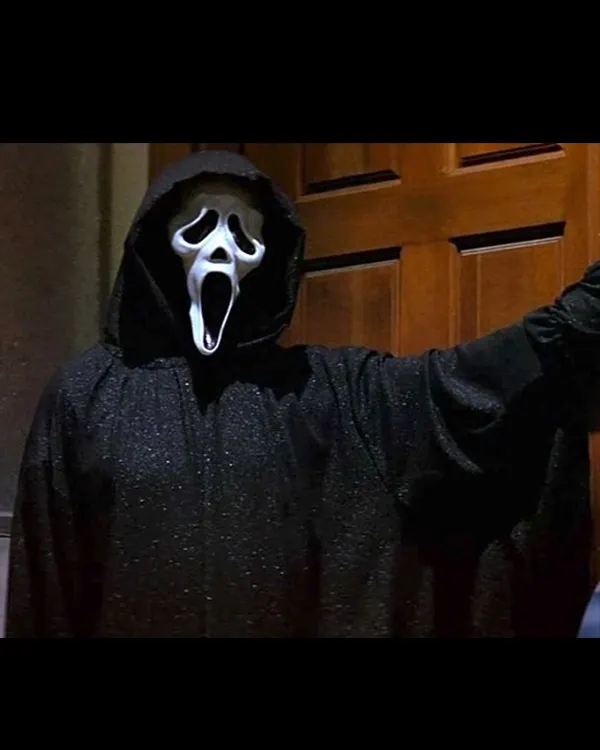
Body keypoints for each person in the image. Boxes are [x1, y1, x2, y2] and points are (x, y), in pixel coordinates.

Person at [4, 149, 598, 638]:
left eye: (243, 234)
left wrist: (574, 324)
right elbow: (47, 585)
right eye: (198, 228)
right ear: (158, 244)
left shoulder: (324, 392)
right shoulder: (87, 394)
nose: (220, 250)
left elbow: (459, 392)